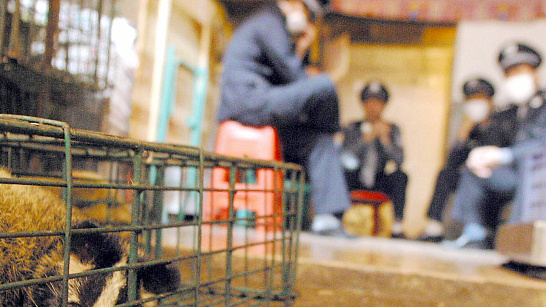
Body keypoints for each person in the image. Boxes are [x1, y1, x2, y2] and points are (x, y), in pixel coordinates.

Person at [217, 0, 355, 238]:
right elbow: (296, 77)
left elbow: (288, 81)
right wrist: (303, 45)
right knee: (324, 85)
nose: (309, 19)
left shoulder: (274, 26)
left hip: (264, 104)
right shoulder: (269, 22)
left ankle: (327, 218)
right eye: (308, 12)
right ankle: (336, 136)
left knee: (317, 140)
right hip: (249, 102)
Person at [448, 42, 546, 249]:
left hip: (538, 175)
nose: (513, 78)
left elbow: (541, 144)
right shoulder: (510, 112)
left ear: (534, 71)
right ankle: (476, 234)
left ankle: (519, 242)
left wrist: (505, 155)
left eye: (519, 70)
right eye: (508, 73)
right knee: (474, 170)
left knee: (530, 167)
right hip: (513, 175)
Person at [417, 78, 517, 242]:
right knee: (446, 174)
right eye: (471, 100)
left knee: (473, 174)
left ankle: (476, 231)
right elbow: (452, 163)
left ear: (489, 100)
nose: (475, 104)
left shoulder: (504, 122)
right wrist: (462, 136)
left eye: (479, 99)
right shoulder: (471, 128)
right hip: (471, 176)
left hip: (499, 174)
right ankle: (435, 227)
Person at [340, 81, 408, 238]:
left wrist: (385, 140)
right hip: (355, 177)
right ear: (363, 104)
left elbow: (399, 161)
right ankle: (336, 217)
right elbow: (345, 160)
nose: (373, 106)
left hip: (379, 179)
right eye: (369, 102)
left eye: (378, 102)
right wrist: (365, 140)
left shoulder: (392, 129)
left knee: (401, 176)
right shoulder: (352, 127)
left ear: (384, 105)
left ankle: (397, 226)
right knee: (340, 173)